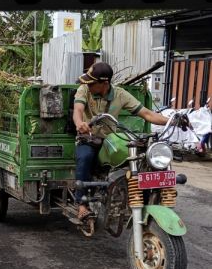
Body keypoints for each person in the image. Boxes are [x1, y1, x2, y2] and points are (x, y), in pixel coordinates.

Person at [72, 61, 179, 223]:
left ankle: (140, 199)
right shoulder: (84, 89)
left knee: (140, 159)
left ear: (105, 83)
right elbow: (78, 110)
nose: (88, 85)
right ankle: (81, 204)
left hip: (111, 139)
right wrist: (80, 124)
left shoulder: (120, 94)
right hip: (88, 138)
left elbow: (147, 114)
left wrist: (172, 121)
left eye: (92, 82)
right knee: (85, 157)